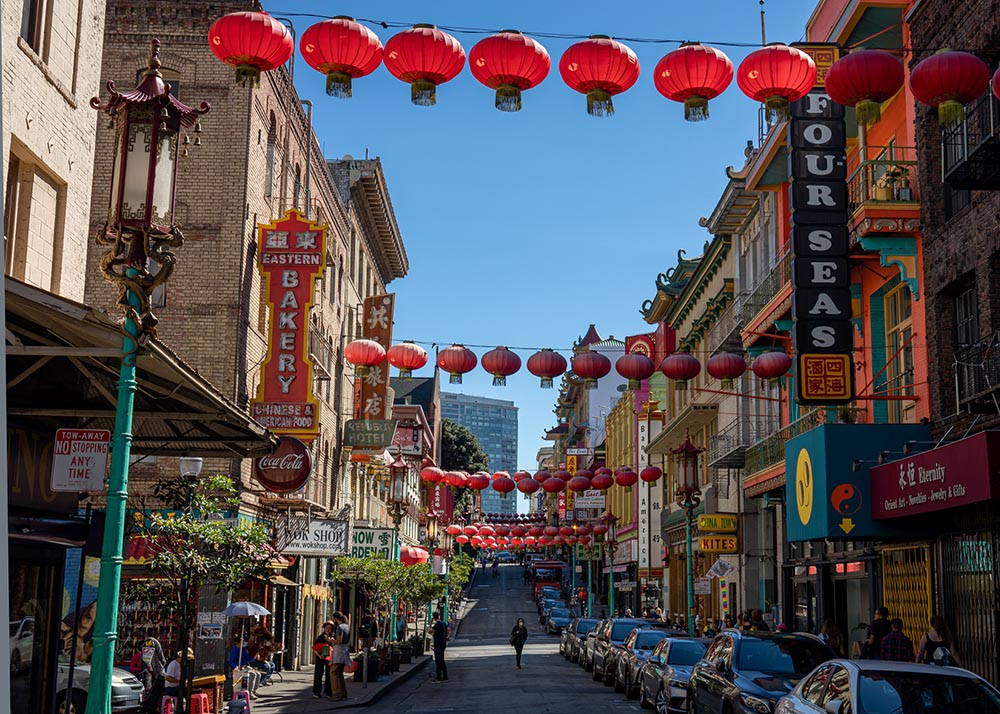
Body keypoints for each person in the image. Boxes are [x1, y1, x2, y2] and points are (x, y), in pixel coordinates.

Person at [229, 633, 261, 699]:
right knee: (252, 674)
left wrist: (254, 657)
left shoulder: (243, 649)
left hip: (245, 666)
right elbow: (231, 661)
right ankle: (249, 692)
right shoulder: (234, 650)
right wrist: (236, 666)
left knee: (258, 674)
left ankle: (254, 690)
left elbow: (247, 658)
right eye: (243, 642)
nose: (244, 643)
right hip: (238, 667)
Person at [329, 611, 351, 702]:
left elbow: (339, 640)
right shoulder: (347, 626)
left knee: (333, 672)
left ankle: (336, 694)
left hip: (339, 651)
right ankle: (343, 693)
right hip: (345, 650)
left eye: (334, 618)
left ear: (336, 618)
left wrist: (330, 641)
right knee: (340, 673)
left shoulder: (339, 627)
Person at [312, 620, 334, 698]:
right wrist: (319, 656)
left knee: (329, 675)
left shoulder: (332, 638)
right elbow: (314, 648)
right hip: (320, 658)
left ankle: (328, 692)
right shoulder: (320, 637)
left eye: (330, 628)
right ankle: (316, 692)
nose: (328, 630)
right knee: (318, 674)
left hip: (329, 658)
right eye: (326, 628)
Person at [431, 612, 448, 682]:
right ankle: (445, 676)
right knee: (442, 660)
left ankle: (439, 677)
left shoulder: (438, 624)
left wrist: (430, 623)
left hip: (438, 644)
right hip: (442, 643)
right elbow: (447, 633)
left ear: (433, 617)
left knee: (438, 661)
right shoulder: (443, 623)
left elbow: (430, 631)